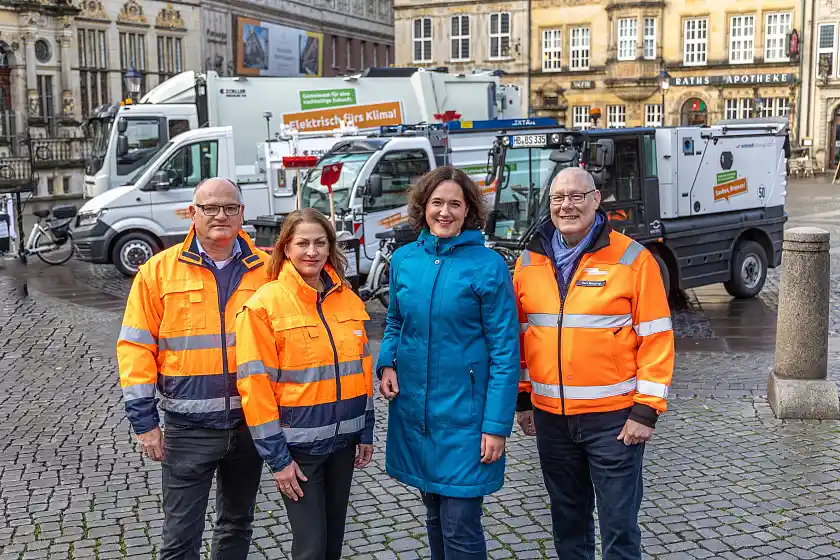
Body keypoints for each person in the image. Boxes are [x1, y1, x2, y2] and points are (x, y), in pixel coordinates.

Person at [514, 167, 674, 560]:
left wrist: (645, 411)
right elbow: (521, 335)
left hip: (615, 420)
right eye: (558, 198)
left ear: (596, 199)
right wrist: (523, 400)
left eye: (576, 196)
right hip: (552, 419)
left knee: (619, 526)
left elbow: (656, 339)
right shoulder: (529, 261)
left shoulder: (633, 260)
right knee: (568, 524)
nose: (566, 205)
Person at [116, 177, 271, 559]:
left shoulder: (268, 270)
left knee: (237, 525)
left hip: (250, 425)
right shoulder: (157, 272)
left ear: (242, 214)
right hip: (188, 428)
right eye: (211, 208)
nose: (221, 215)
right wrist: (145, 422)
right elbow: (136, 347)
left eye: (230, 207)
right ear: (193, 213)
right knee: (180, 537)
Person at [376, 166, 520, 559]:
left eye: (454, 204)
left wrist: (495, 427)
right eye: (437, 202)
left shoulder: (487, 266)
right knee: (436, 514)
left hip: (466, 420)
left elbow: (506, 352)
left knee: (460, 523)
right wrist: (387, 362)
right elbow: (395, 320)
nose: (445, 212)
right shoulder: (405, 259)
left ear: (469, 210)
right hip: (417, 414)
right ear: (423, 207)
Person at [235, 208, 374, 560]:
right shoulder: (263, 306)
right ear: (285, 248)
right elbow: (256, 388)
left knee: (332, 544)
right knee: (311, 547)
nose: (311, 252)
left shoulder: (347, 299)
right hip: (299, 451)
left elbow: (361, 371)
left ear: (330, 247)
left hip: (343, 444)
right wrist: (278, 460)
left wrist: (366, 431)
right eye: (302, 244)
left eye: (320, 243)